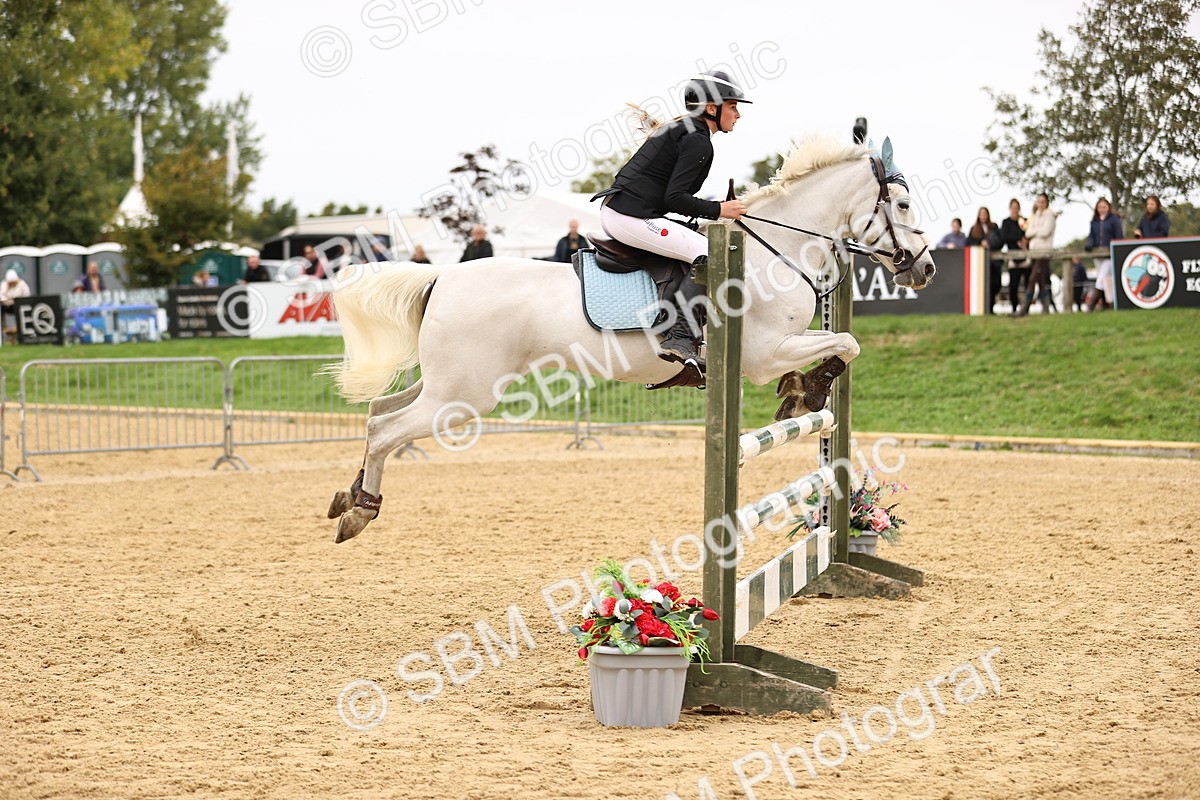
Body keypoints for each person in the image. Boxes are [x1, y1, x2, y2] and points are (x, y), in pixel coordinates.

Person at [590, 70, 751, 369]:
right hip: (628, 216)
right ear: (712, 109)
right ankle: (678, 337)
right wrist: (719, 210)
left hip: (628, 212)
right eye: (733, 106)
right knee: (710, 255)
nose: (738, 114)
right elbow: (674, 199)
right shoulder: (698, 140)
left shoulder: (688, 131)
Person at [1017, 193, 1057, 316]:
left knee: (1032, 278)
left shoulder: (1050, 215)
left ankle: (1024, 308)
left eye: (1042, 202)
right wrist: (1035, 232)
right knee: (1040, 280)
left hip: (1044, 251)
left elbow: (1045, 232)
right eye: (1038, 201)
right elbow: (1028, 232)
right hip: (1034, 251)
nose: (1040, 204)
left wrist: (1034, 232)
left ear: (1046, 203)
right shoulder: (1034, 216)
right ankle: (1046, 309)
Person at [1083, 197, 1123, 311]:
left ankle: (1091, 305)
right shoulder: (1094, 221)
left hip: (1109, 255)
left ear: (1108, 207)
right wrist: (1089, 244)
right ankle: (1108, 305)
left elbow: (1119, 236)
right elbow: (1091, 236)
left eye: (1104, 207)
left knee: (1100, 279)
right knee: (1105, 280)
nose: (1102, 209)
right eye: (1100, 207)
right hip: (1098, 255)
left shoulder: (1114, 220)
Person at [967, 207, 1001, 314]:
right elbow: (968, 243)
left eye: (985, 214)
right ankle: (985, 310)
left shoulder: (994, 227)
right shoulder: (974, 229)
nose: (983, 216)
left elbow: (1000, 241)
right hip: (980, 263)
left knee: (996, 284)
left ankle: (991, 307)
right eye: (981, 214)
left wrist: (990, 244)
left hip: (994, 263)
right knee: (983, 286)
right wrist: (980, 243)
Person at [998, 199, 1029, 315]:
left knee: (1027, 283)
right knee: (1013, 285)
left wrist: (1025, 241)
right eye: (1013, 207)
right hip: (1012, 256)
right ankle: (1014, 308)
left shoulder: (1024, 221)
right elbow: (1004, 237)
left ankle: (1026, 309)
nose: (1015, 209)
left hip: (1025, 255)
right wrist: (1017, 240)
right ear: (1010, 208)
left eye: (1017, 207)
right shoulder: (1006, 222)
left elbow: (1028, 234)